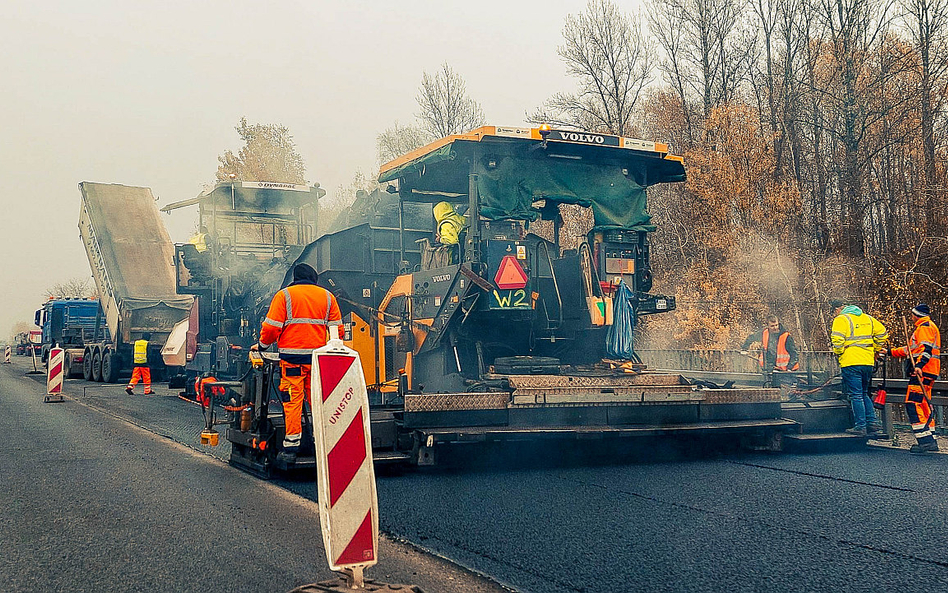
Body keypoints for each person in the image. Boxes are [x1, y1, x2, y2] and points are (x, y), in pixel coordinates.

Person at [252, 263, 342, 464]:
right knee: (318, 401)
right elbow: (338, 331)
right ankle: (323, 444)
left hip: (292, 362)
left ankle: (291, 448)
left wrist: (262, 347)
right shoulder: (328, 297)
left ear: (295, 277)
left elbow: (271, 328)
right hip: (318, 360)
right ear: (314, 278)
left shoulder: (284, 296)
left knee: (293, 402)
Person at [886, 303, 940, 454]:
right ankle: (931, 440)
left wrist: (919, 366)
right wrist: (890, 352)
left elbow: (926, 350)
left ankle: (924, 441)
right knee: (923, 405)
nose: (910, 316)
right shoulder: (925, 327)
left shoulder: (925, 328)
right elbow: (909, 350)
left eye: (912, 314)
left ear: (916, 315)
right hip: (928, 371)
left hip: (922, 372)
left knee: (913, 404)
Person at [830, 299, 888, 436]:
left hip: (851, 362)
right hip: (867, 362)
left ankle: (860, 426)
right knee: (864, 393)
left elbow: (837, 341)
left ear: (838, 309)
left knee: (856, 395)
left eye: (834, 311)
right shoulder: (868, 318)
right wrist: (876, 349)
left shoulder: (841, 319)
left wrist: (839, 352)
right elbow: (882, 334)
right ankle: (872, 423)